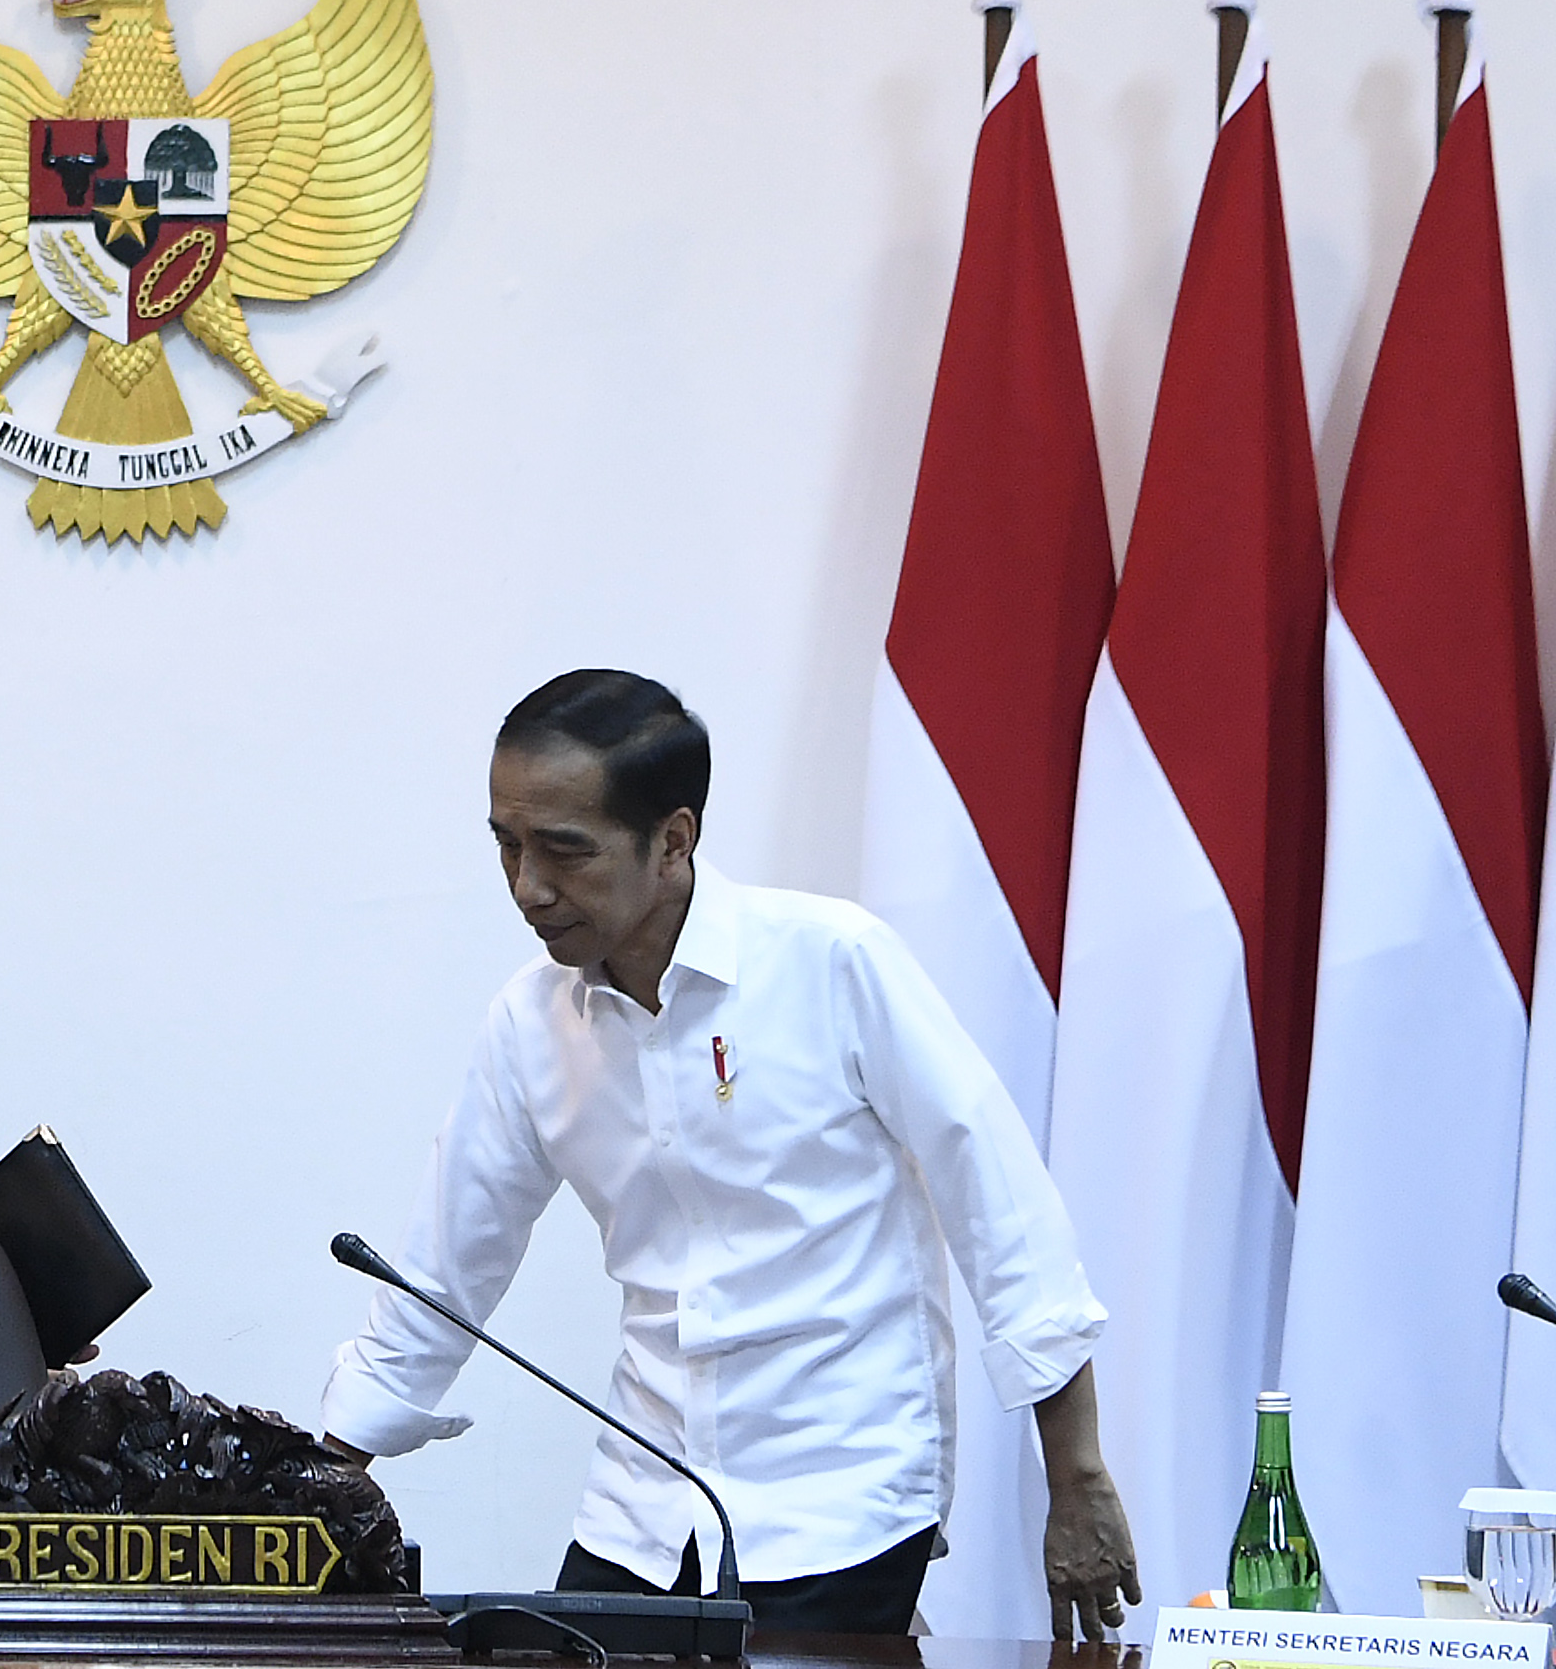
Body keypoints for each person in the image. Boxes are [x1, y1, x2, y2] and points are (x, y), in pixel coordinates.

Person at [318, 670, 1139, 1639]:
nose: (529, 887)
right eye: (507, 844)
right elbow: (443, 1270)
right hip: (645, 1500)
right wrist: (320, 1489)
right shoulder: (530, 1023)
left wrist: (1076, 1471)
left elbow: (1000, 1207)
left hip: (842, 1495)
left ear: (673, 841)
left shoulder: (834, 961)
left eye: (564, 851)